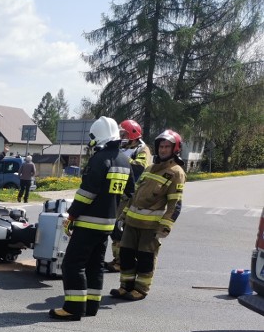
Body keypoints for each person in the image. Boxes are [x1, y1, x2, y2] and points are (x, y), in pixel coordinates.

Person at [49, 116, 133, 320]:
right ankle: (91, 306)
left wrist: (72, 214)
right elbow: (130, 191)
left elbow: (87, 192)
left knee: (72, 264)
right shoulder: (124, 160)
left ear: (98, 137)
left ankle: (73, 308)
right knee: (95, 264)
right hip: (107, 223)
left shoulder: (99, 159)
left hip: (89, 221)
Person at [110, 129, 185, 301]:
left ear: (175, 149)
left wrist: (165, 226)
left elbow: (175, 204)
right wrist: (123, 216)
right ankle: (125, 286)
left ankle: (141, 289)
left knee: (146, 259)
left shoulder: (176, 173)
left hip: (150, 227)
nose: (163, 150)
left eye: (167, 147)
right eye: (161, 146)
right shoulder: (150, 168)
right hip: (132, 222)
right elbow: (135, 195)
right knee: (126, 255)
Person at [104, 119, 153, 272]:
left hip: (130, 196)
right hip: (118, 192)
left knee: (119, 227)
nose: (122, 136)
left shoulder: (142, 149)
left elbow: (139, 168)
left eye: (124, 133)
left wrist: (121, 159)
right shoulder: (123, 147)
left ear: (133, 133)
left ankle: (121, 261)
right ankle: (118, 258)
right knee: (114, 227)